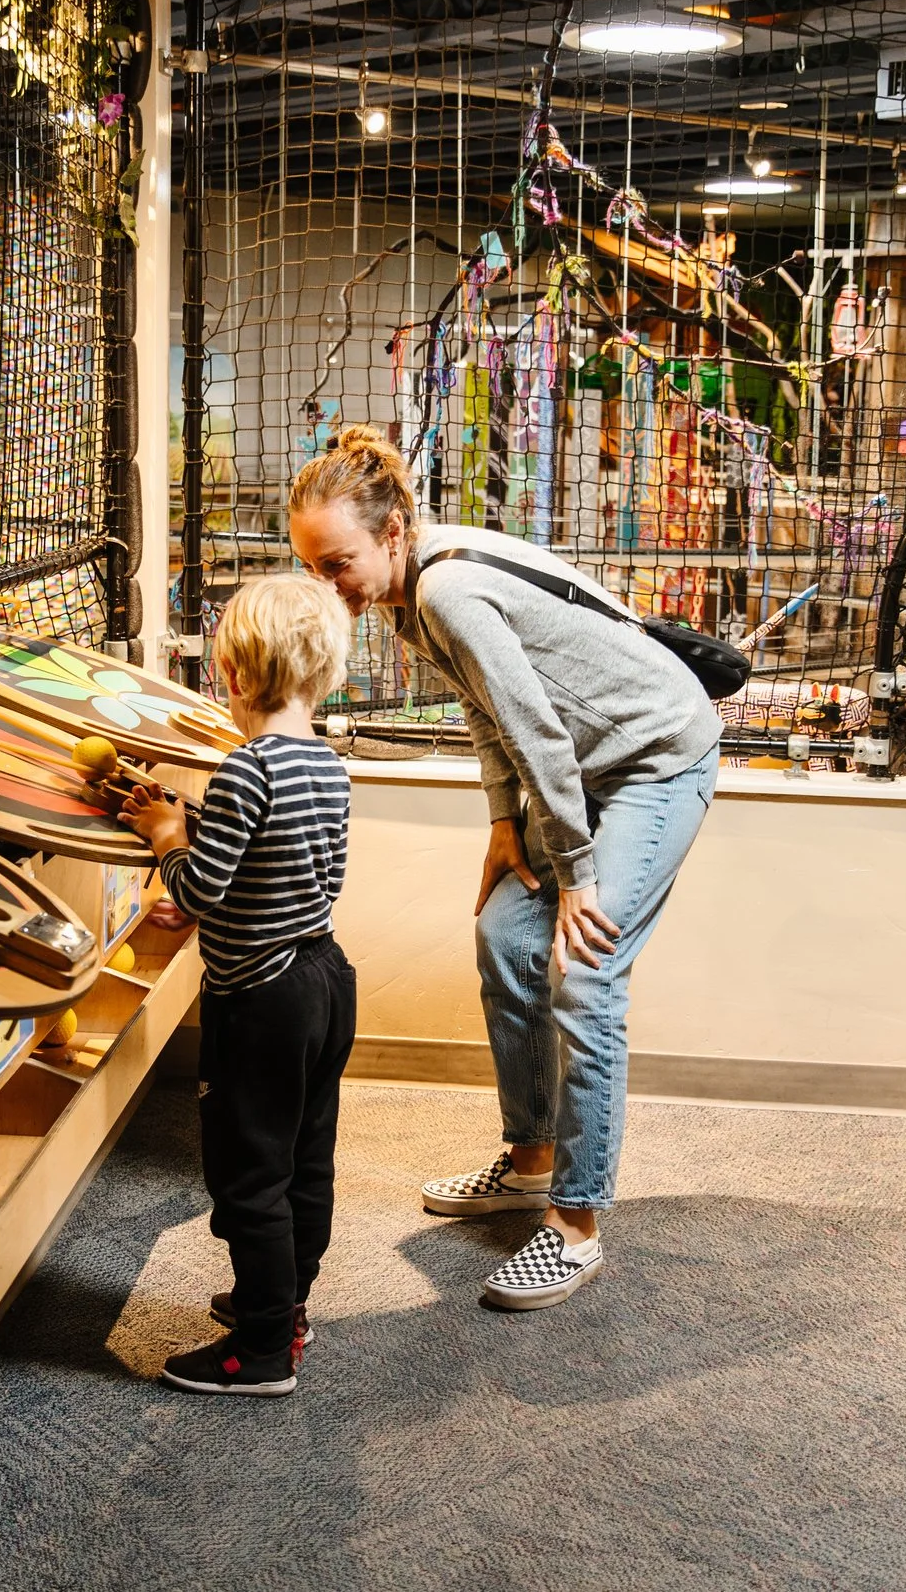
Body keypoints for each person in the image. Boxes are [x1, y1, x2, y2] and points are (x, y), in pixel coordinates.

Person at [289, 426, 721, 1311]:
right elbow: (489, 714)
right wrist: (500, 824)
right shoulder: (411, 591)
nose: (327, 586)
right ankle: (531, 1159)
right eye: (313, 568)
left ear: (395, 531)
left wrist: (580, 873)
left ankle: (575, 1223)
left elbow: (537, 734)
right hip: (584, 765)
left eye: (336, 564)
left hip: (655, 755)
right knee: (504, 934)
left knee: (586, 971)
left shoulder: (445, 590)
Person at [118, 572, 356, 1396]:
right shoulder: (327, 766)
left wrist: (164, 838)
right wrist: (194, 822)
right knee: (304, 1156)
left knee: (248, 1172)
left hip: (260, 999)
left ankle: (259, 1353)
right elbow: (291, 868)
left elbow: (196, 888)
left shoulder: (245, 770)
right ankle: (285, 1303)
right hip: (324, 977)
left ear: (236, 677)